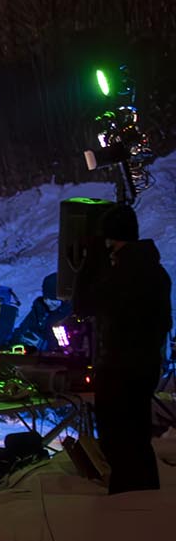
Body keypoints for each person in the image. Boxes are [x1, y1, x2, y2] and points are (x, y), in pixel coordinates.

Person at [78, 205, 171, 494]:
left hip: (119, 369)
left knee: (118, 443)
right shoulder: (156, 272)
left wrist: (91, 261)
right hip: (145, 367)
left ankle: (126, 503)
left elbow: (82, 304)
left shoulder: (120, 277)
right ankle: (144, 499)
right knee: (138, 440)